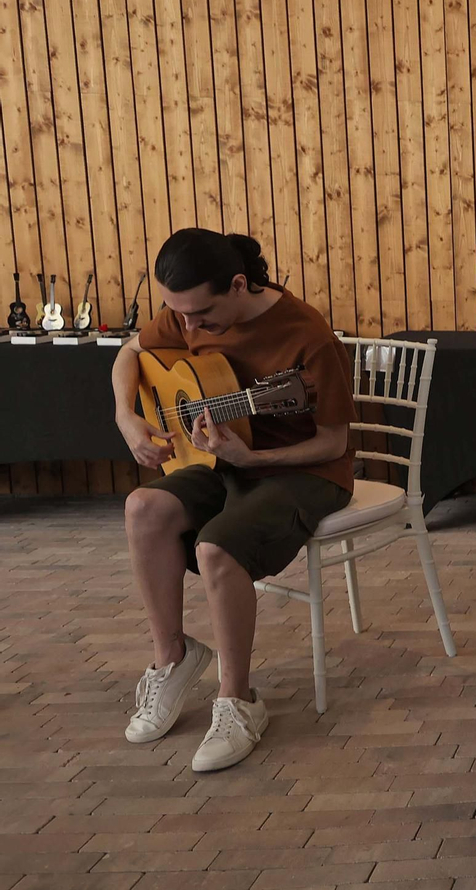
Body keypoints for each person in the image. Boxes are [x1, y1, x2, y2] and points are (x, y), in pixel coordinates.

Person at [111, 228, 356, 771]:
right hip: (222, 459)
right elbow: (130, 352)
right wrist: (128, 418)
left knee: (216, 546)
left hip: (305, 470)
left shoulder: (309, 336)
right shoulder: (186, 310)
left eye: (200, 315)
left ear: (239, 284)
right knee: (143, 508)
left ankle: (239, 700)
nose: (188, 326)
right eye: (180, 315)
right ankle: (172, 658)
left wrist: (253, 461)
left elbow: (334, 442)